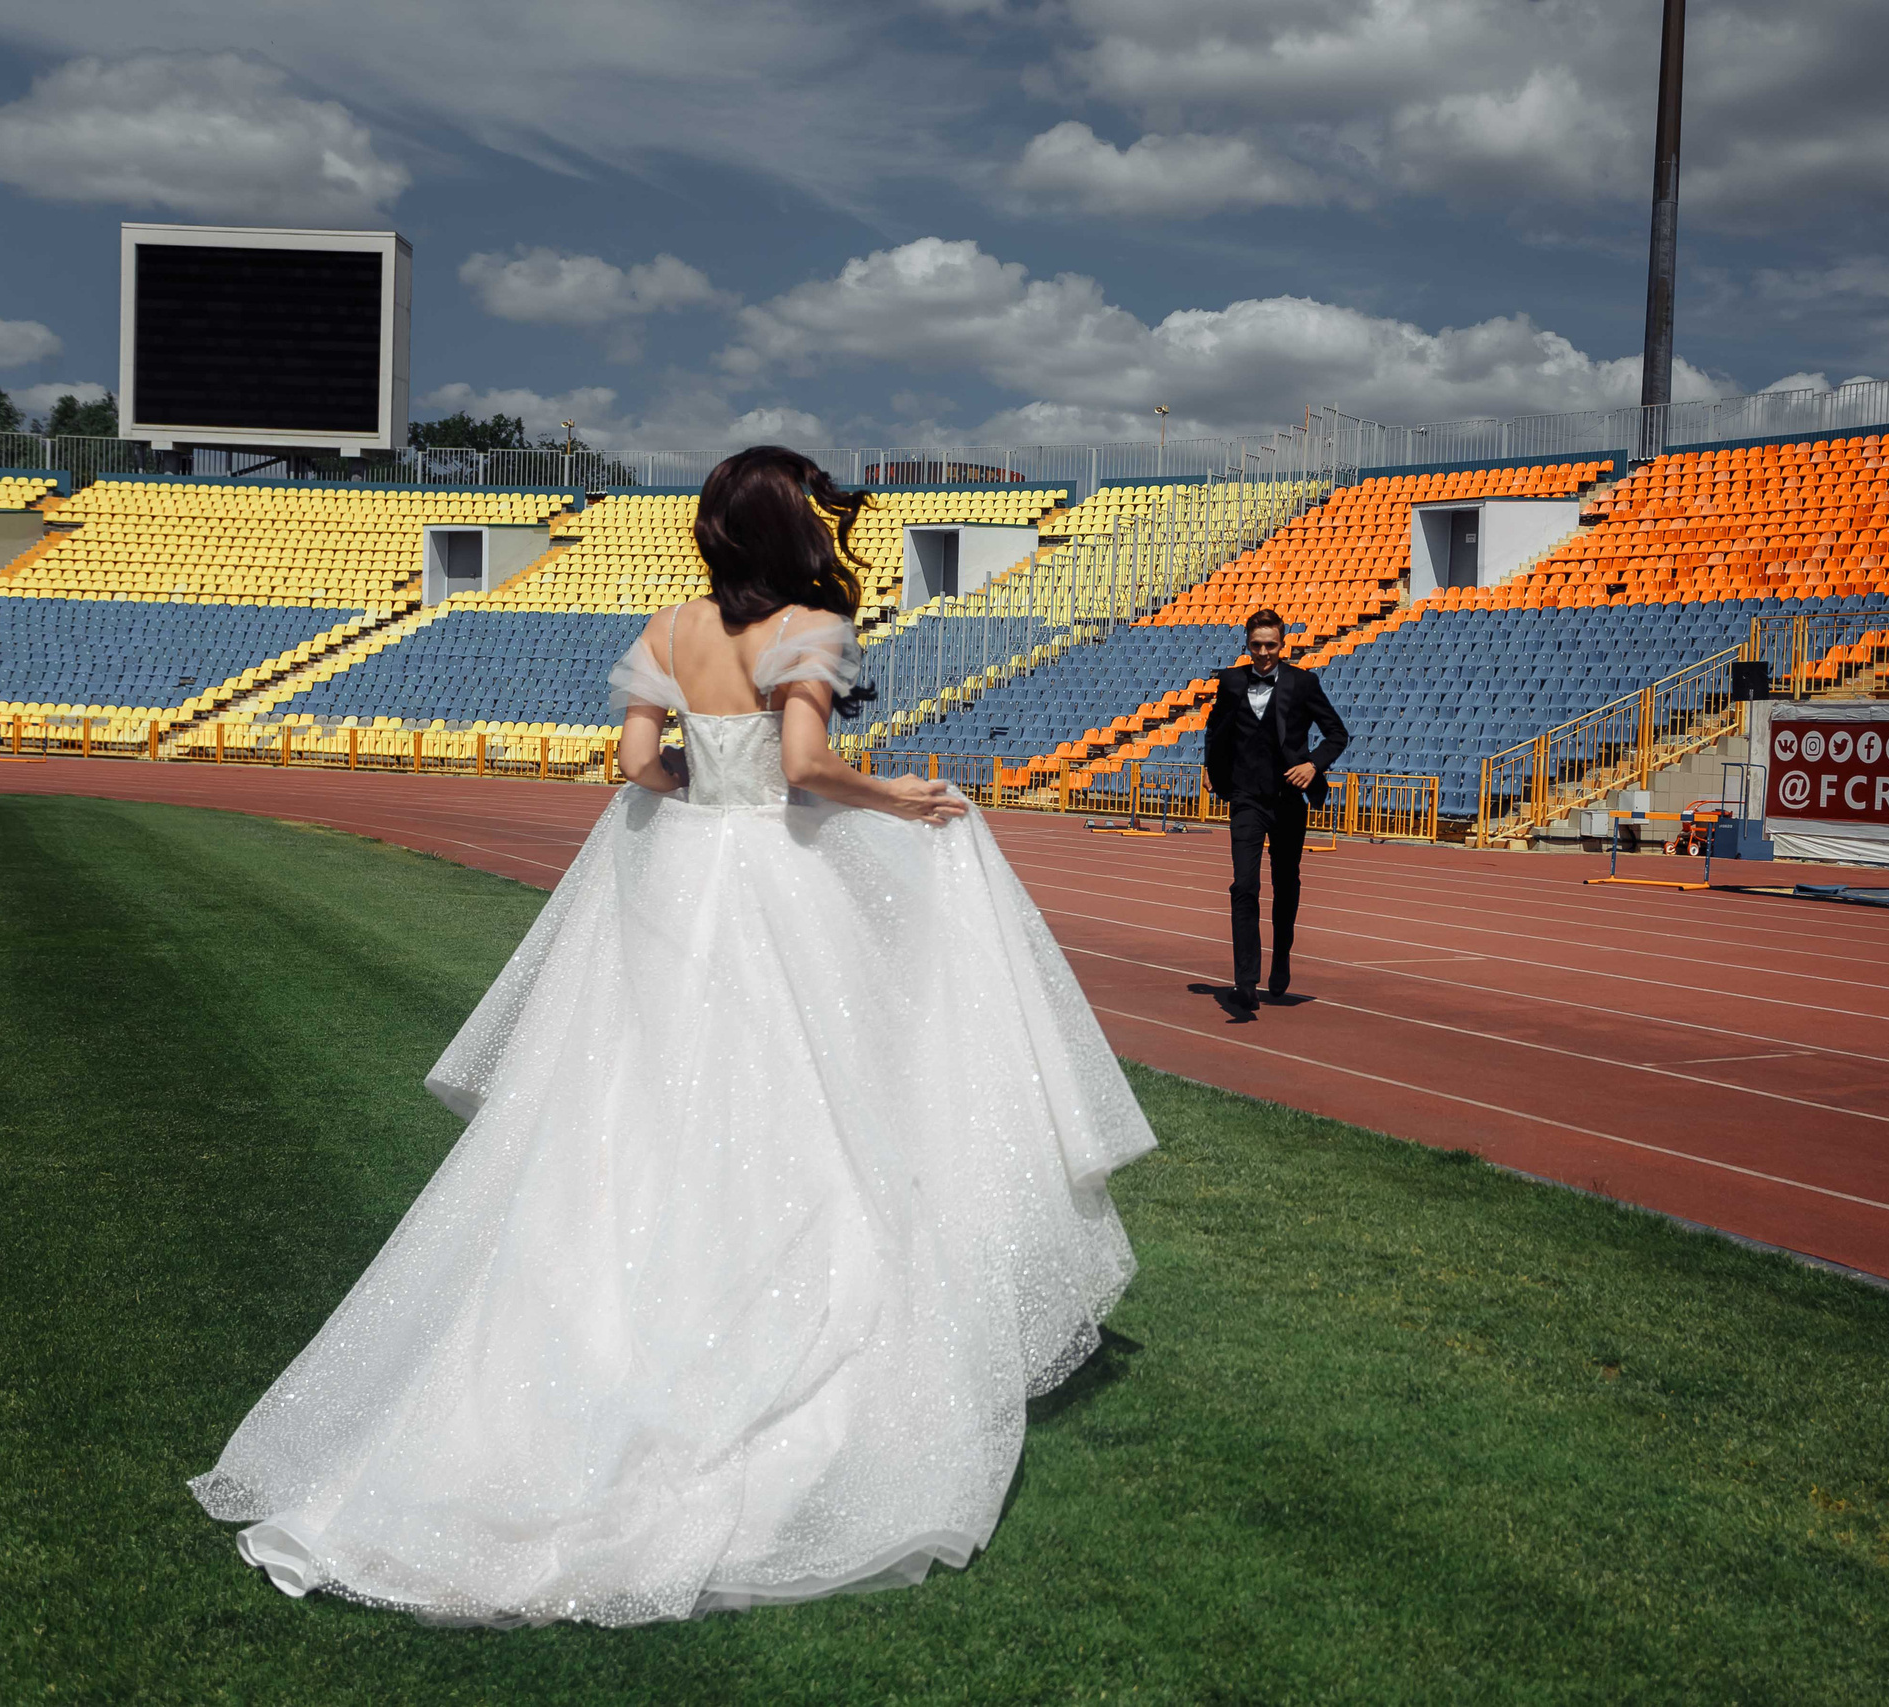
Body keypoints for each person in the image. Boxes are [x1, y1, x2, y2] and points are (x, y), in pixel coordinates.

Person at [189, 447, 1155, 1628]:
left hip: (683, 870)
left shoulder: (670, 626)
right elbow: (805, 767)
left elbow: (639, 764)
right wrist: (898, 797)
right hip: (776, 874)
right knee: (812, 1093)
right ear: (793, 530)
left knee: (642, 1101)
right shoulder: (809, 626)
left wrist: (708, 782)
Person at [1204, 608, 1347, 1013]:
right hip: (1246, 798)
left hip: (1287, 800)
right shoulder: (1231, 681)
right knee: (1243, 886)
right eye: (1256, 645)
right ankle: (1246, 980)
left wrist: (1313, 764)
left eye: (1271, 645)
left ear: (1282, 645)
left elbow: (1337, 733)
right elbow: (1215, 728)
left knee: (1286, 885)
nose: (1264, 652)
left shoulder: (1303, 683)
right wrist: (1209, 767)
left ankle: (1281, 955)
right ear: (1247, 645)